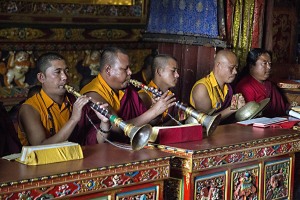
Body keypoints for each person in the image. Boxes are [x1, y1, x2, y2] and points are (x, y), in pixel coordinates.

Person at [80, 47, 176, 142]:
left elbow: (144, 122)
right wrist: (153, 111)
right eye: (125, 69)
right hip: (104, 152)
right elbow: (118, 128)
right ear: (108, 70)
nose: (130, 72)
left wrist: (157, 112)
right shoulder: (92, 94)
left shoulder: (125, 90)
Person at [17, 52, 111, 146]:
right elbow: (40, 147)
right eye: (58, 72)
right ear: (41, 77)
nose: (65, 77)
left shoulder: (74, 101)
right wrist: (73, 119)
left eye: (66, 71)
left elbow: (93, 141)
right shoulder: (29, 108)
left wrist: (104, 122)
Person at [190, 49, 245, 122]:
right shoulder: (202, 88)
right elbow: (206, 121)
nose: (235, 72)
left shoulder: (228, 86)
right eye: (231, 68)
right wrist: (232, 108)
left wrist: (238, 103)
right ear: (218, 65)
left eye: (236, 68)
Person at [235, 48, 289, 117]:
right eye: (264, 63)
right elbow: (248, 116)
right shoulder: (244, 87)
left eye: (270, 63)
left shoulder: (269, 84)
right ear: (251, 66)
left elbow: (283, 107)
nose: (269, 67)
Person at [138, 54, 182, 125]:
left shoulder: (171, 95)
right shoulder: (144, 96)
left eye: (177, 71)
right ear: (160, 71)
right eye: (173, 71)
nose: (177, 75)